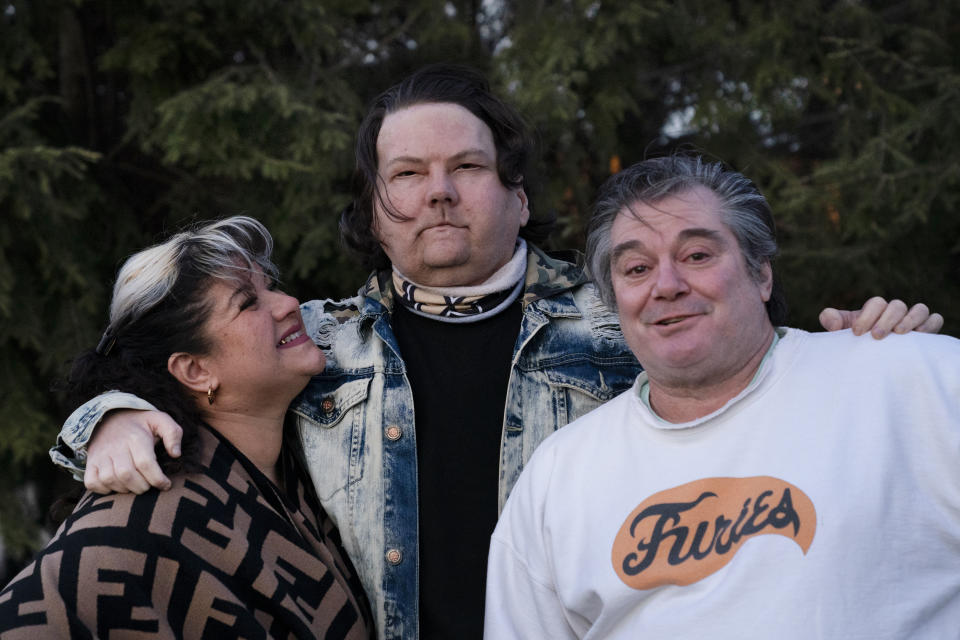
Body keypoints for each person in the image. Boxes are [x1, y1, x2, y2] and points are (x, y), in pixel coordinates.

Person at [50, 66, 942, 640]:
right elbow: (166, 357)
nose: (438, 193)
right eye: (406, 175)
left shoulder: (629, 307)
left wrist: (878, 346)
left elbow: (759, 356)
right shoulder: (314, 340)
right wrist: (110, 416)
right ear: (372, 211)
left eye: (467, 168)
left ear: (517, 195)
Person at [483, 155, 960, 639]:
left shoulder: (906, 379)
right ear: (614, 303)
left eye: (697, 256)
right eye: (637, 268)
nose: (665, 286)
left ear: (761, 275)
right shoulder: (558, 477)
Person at [1, 217, 373, 638]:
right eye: (248, 303)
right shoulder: (141, 513)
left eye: (270, 286)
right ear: (196, 370)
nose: (287, 303)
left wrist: (104, 414)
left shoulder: (309, 450)